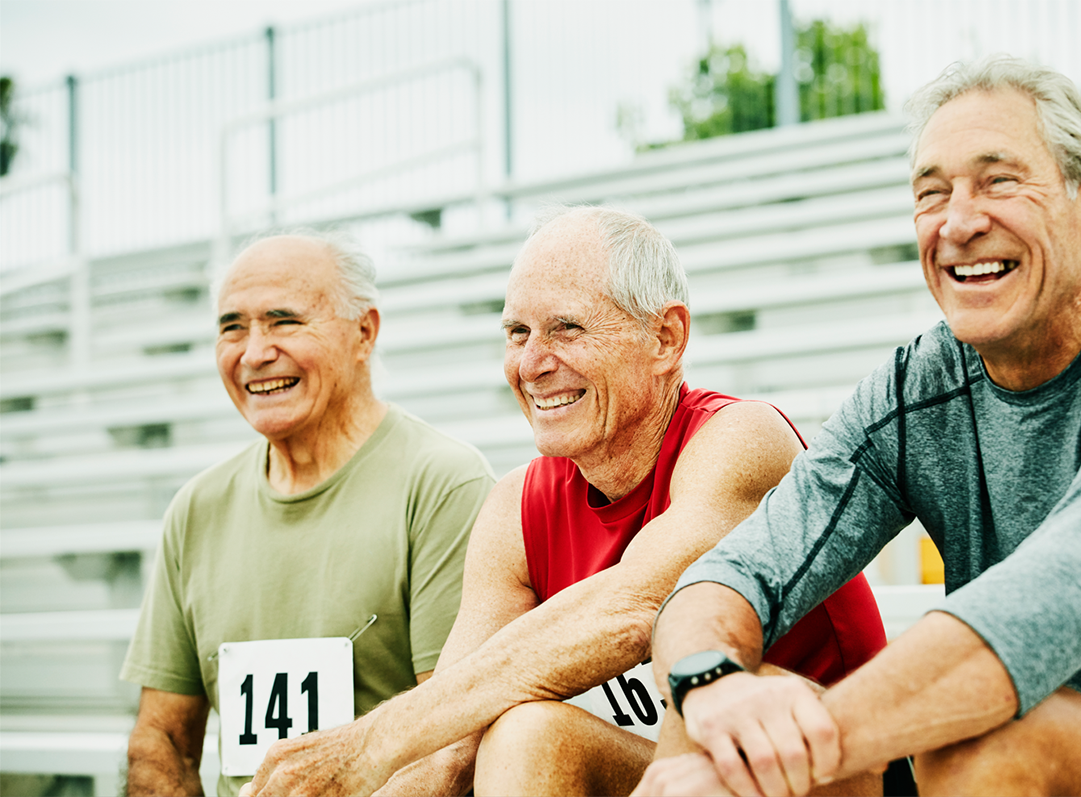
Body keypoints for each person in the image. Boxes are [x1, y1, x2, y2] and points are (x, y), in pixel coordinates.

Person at [636, 55, 1081, 797]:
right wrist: (710, 680)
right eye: (933, 193)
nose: (960, 222)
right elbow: (731, 573)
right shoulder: (914, 389)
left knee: (986, 737)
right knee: (722, 707)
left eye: (999, 181)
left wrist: (787, 757)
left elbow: (1039, 614)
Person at [239, 206, 888, 797]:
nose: (532, 362)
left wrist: (370, 741)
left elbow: (634, 608)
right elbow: (448, 744)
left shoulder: (742, 439)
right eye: (516, 332)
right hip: (671, 773)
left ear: (665, 338)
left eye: (565, 329)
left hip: (829, 765)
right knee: (518, 732)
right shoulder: (515, 507)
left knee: (544, 729)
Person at [120, 231, 496, 796]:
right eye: (232, 327)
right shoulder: (196, 508)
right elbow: (162, 741)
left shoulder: (443, 483)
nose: (253, 353)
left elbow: (454, 743)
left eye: (284, 321)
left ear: (364, 332)